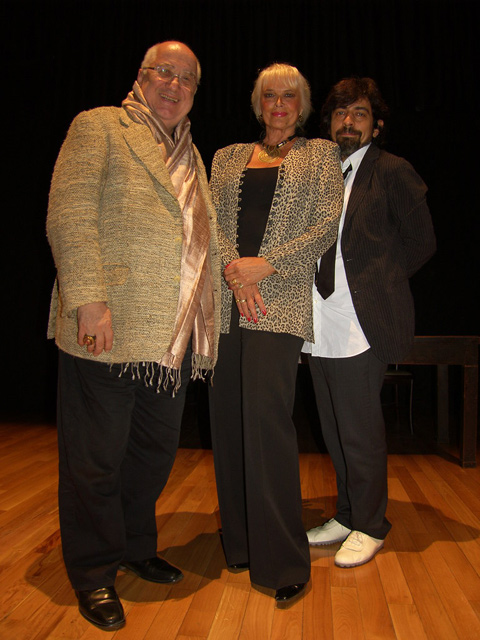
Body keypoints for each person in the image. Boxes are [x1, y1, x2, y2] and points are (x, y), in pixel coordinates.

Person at [46, 41, 221, 631]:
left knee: (152, 453)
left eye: (187, 79)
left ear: (194, 93)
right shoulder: (100, 126)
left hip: (170, 337)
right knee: (95, 459)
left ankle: (134, 545)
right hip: (108, 324)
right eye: (164, 73)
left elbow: (203, 240)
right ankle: (94, 571)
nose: (175, 85)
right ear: (141, 77)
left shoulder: (193, 155)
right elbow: (69, 213)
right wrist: (87, 298)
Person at [208, 63, 344, 606]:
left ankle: (283, 559)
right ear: (257, 103)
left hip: (279, 301)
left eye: (289, 95)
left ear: (303, 104)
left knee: (266, 422)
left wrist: (265, 266)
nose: (279, 104)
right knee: (228, 419)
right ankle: (241, 543)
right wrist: (235, 273)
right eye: (270, 95)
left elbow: (326, 223)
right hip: (225, 300)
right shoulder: (225, 157)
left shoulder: (320, 155)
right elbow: (210, 223)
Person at [303, 77, 436, 567]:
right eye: (341, 113)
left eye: (359, 114)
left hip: (359, 321)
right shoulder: (319, 173)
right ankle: (347, 514)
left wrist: (378, 280)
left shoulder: (392, 170)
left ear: (376, 126)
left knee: (359, 431)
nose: (348, 122)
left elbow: (422, 242)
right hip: (316, 319)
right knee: (333, 428)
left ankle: (371, 524)